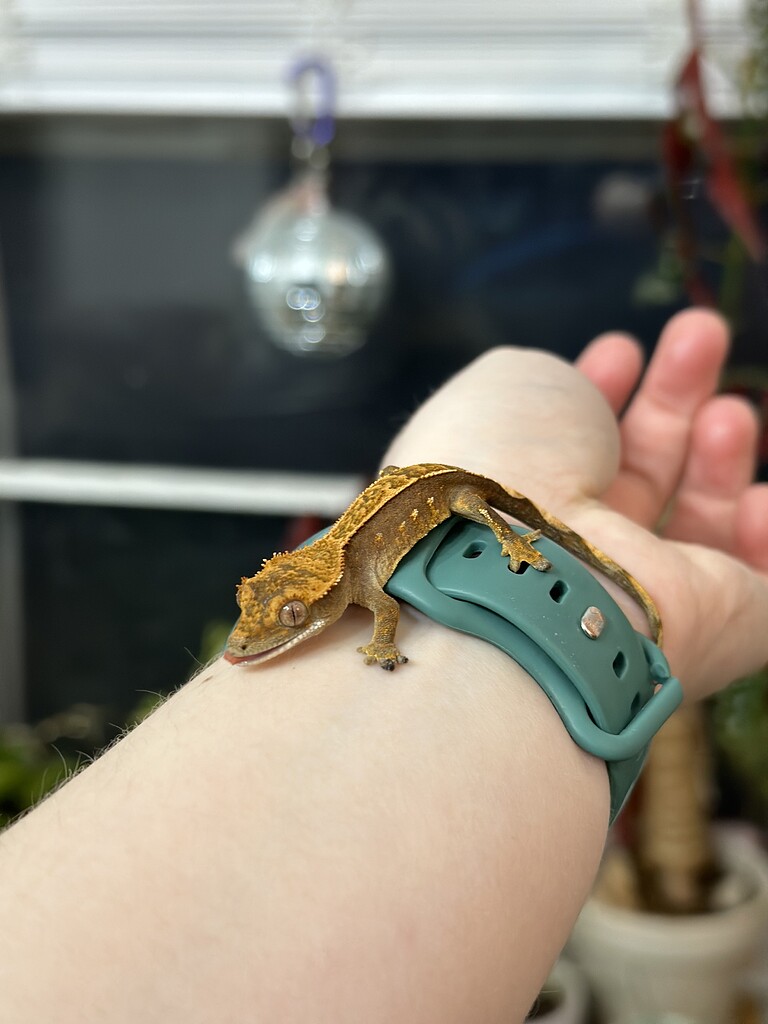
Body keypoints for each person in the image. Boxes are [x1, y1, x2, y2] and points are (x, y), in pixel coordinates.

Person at [0, 308, 765, 1022]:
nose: (255, 641)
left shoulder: (362, 586)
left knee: (484, 515)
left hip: (458, 490)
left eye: (292, 618)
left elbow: (390, 615)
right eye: (268, 614)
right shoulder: (328, 575)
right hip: (416, 494)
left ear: (328, 593)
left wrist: (489, 567)